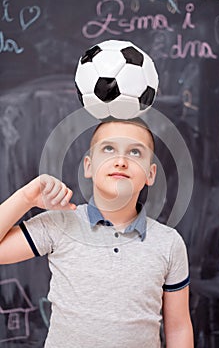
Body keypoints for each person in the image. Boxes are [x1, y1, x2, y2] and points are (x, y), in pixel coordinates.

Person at [0, 117, 194, 348]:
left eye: (135, 153)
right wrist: (26, 198)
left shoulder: (169, 243)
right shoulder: (60, 224)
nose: (121, 161)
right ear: (88, 166)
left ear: (151, 174)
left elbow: (179, 327)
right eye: (109, 149)